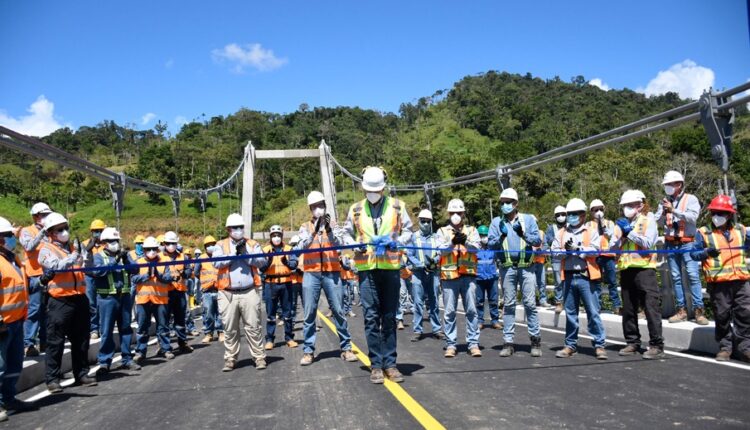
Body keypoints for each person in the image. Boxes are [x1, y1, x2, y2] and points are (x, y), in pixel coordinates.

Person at [338, 166, 413, 384]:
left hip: (390, 269)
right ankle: (376, 365)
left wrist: (397, 242)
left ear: (383, 188)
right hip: (366, 269)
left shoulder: (398, 207)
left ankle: (390, 363)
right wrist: (355, 245)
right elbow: (345, 233)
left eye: (377, 189)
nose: (373, 193)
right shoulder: (356, 210)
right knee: (371, 317)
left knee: (389, 317)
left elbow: (408, 230)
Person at [295, 191, 357, 366]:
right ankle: (308, 351)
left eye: (321, 205)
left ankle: (346, 348)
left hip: (331, 272)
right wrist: (314, 231)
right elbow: (301, 246)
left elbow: (339, 244)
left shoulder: (334, 225)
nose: (318, 209)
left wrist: (328, 229)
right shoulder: (305, 227)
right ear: (310, 208)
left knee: (338, 310)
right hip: (311, 273)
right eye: (315, 206)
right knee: (309, 313)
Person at [38, 212, 97, 393]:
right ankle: (53, 379)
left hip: (79, 297)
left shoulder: (72, 248)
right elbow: (57, 266)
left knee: (81, 339)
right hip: (59, 300)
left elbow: (87, 269)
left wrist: (87, 254)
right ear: (51, 233)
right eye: (60, 229)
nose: (65, 232)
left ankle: (81, 373)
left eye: (65, 228)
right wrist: (76, 254)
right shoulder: (46, 250)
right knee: (55, 341)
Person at [690, 195, 750, 362]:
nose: (717, 216)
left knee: (745, 314)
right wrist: (706, 253)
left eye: (721, 213)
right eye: (714, 212)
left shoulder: (741, 230)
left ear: (729, 215)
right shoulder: (703, 233)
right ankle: (725, 348)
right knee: (722, 316)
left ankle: (745, 347)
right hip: (718, 283)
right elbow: (693, 254)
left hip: (741, 281)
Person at [488, 188, 543, 357]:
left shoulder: (528, 219)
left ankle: (535, 341)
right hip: (507, 268)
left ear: (516, 203)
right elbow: (491, 245)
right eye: (502, 202)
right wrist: (501, 237)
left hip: (526, 267)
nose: (505, 205)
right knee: (509, 305)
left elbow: (537, 240)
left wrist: (523, 234)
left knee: (530, 304)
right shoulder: (497, 222)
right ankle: (508, 342)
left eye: (508, 202)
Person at [552, 198, 607, 360]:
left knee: (593, 312)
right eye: (570, 214)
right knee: (570, 313)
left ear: (583, 215)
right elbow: (554, 252)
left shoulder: (591, 231)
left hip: (586, 276)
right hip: (568, 276)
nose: (571, 216)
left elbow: (596, 250)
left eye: (575, 214)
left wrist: (578, 249)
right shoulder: (561, 233)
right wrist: (566, 251)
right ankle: (570, 345)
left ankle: (599, 345)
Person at [612, 190, 665, 359]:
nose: (626, 209)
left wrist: (629, 232)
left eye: (630, 205)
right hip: (626, 269)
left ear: (640, 205)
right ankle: (632, 342)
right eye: (624, 206)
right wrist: (620, 238)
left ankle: (657, 344)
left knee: (651, 308)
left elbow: (648, 243)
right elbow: (612, 248)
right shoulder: (620, 224)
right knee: (628, 309)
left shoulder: (648, 221)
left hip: (645, 270)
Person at [212, 213, 268, 371]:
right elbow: (216, 263)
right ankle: (230, 358)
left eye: (241, 227)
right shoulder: (220, 245)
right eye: (235, 227)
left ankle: (259, 357)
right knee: (230, 328)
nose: (239, 230)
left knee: (253, 326)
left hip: (250, 291)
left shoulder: (252, 244)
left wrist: (246, 255)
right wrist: (233, 254)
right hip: (227, 292)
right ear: (228, 229)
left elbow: (262, 261)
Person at [655, 171, 706, 325]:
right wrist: (664, 213)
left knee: (692, 276)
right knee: (675, 278)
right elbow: (657, 221)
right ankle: (681, 311)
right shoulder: (663, 202)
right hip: (671, 244)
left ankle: (699, 311)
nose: (667, 187)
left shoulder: (691, 199)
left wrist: (674, 210)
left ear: (679, 184)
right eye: (666, 185)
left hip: (688, 243)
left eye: (670, 184)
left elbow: (693, 217)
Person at [0, 216, 36, 421]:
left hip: (17, 321)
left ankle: (9, 398)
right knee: (0, 365)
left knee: (14, 364)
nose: (12, 239)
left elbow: (21, 287)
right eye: (8, 236)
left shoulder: (14, 260)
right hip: (2, 323)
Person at [436, 199, 481, 358]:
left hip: (468, 275)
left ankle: (473, 343)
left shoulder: (472, 230)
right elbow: (440, 251)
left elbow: (477, 249)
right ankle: (451, 344)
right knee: (449, 312)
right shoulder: (442, 232)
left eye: (459, 213)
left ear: (463, 214)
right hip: (449, 277)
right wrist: (452, 243)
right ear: (449, 214)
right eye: (453, 213)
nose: (456, 215)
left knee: (471, 310)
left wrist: (466, 241)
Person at [90, 227, 140, 373]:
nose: (115, 244)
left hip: (123, 297)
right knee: (106, 331)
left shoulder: (124, 256)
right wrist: (115, 261)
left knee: (126, 329)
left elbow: (135, 270)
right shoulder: (98, 257)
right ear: (104, 243)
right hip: (107, 299)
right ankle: (105, 362)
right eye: (112, 241)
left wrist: (125, 259)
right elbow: (98, 272)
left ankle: (127, 359)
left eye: (116, 241)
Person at [131, 236, 174, 364]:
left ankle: (166, 349)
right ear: (144, 250)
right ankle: (140, 352)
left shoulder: (164, 261)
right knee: (142, 327)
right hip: (143, 300)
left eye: (154, 249)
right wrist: (146, 276)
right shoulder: (138, 263)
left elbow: (168, 278)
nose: (151, 251)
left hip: (160, 300)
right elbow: (133, 279)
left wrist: (158, 275)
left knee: (163, 326)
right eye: (149, 249)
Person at [406, 209, 443, 342]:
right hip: (418, 273)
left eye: (428, 221)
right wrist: (421, 264)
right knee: (418, 302)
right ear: (419, 221)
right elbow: (409, 254)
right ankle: (417, 330)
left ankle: (437, 329)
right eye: (423, 221)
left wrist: (435, 261)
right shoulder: (413, 236)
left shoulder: (436, 237)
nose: (426, 224)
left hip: (433, 273)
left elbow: (440, 252)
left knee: (434, 302)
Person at [19, 202, 52, 357]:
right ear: (36, 216)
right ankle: (29, 344)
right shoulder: (27, 231)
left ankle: (45, 342)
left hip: (50, 275)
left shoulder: (51, 232)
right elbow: (29, 246)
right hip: (35, 275)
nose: (45, 218)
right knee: (35, 310)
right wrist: (42, 233)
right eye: (43, 215)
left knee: (48, 310)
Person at [262, 225, 299, 350]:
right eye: (274, 235)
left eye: (278, 235)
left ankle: (289, 338)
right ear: (270, 237)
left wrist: (286, 263)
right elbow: (261, 267)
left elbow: (294, 264)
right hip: (270, 283)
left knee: (287, 313)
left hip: (286, 283)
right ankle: (270, 339)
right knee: (270, 313)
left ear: (282, 236)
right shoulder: (265, 250)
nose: (276, 238)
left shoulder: (289, 249)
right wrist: (268, 262)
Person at [587, 199, 622, 314]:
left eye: (600, 209)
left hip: (608, 255)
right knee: (596, 281)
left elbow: (613, 236)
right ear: (591, 212)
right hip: (595, 256)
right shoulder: (589, 225)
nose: (598, 212)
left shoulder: (610, 223)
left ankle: (616, 305)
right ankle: (597, 305)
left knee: (612, 281)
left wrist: (603, 225)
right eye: (595, 210)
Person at [160, 231, 193, 355]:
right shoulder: (159, 257)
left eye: (173, 243)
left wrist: (186, 273)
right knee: (164, 321)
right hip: (165, 293)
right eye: (168, 243)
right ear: (164, 243)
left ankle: (182, 343)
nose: (171, 246)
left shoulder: (183, 257)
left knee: (180, 320)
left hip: (179, 292)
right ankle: (164, 347)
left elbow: (189, 269)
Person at [83, 219, 106, 340]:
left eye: (100, 231)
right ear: (91, 232)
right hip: (89, 276)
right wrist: (87, 250)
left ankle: (103, 327)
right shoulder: (85, 244)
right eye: (95, 231)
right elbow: (80, 259)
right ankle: (94, 328)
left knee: (102, 302)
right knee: (91, 303)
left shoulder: (107, 244)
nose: (98, 233)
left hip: (103, 276)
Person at [198, 236, 224, 344]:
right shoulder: (201, 258)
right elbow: (196, 272)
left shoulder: (220, 256)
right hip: (207, 291)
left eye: (212, 244)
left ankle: (221, 332)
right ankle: (208, 333)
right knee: (208, 313)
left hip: (219, 289)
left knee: (220, 313)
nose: (210, 247)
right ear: (205, 247)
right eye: (208, 245)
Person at [475, 225, 501, 330]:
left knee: (494, 300)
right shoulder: (474, 248)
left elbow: (498, 259)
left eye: (485, 235)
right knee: (479, 301)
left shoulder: (492, 248)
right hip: (479, 278)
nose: (484, 237)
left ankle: (495, 321)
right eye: (481, 235)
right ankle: (480, 321)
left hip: (492, 277)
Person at [544, 206, 567, 313]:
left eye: (563, 214)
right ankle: (559, 302)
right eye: (558, 215)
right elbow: (548, 241)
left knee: (569, 280)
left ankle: (568, 302)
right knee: (558, 281)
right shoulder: (551, 228)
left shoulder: (570, 226)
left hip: (569, 258)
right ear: (555, 217)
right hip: (556, 258)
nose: (560, 217)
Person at [288, 235, 304, 324]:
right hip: (293, 282)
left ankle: (310, 323)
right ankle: (292, 322)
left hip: (303, 281)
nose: (294, 247)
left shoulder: (305, 254)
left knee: (306, 303)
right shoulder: (288, 254)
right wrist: (294, 270)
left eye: (295, 244)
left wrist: (302, 272)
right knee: (293, 303)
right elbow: (286, 268)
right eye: (293, 245)